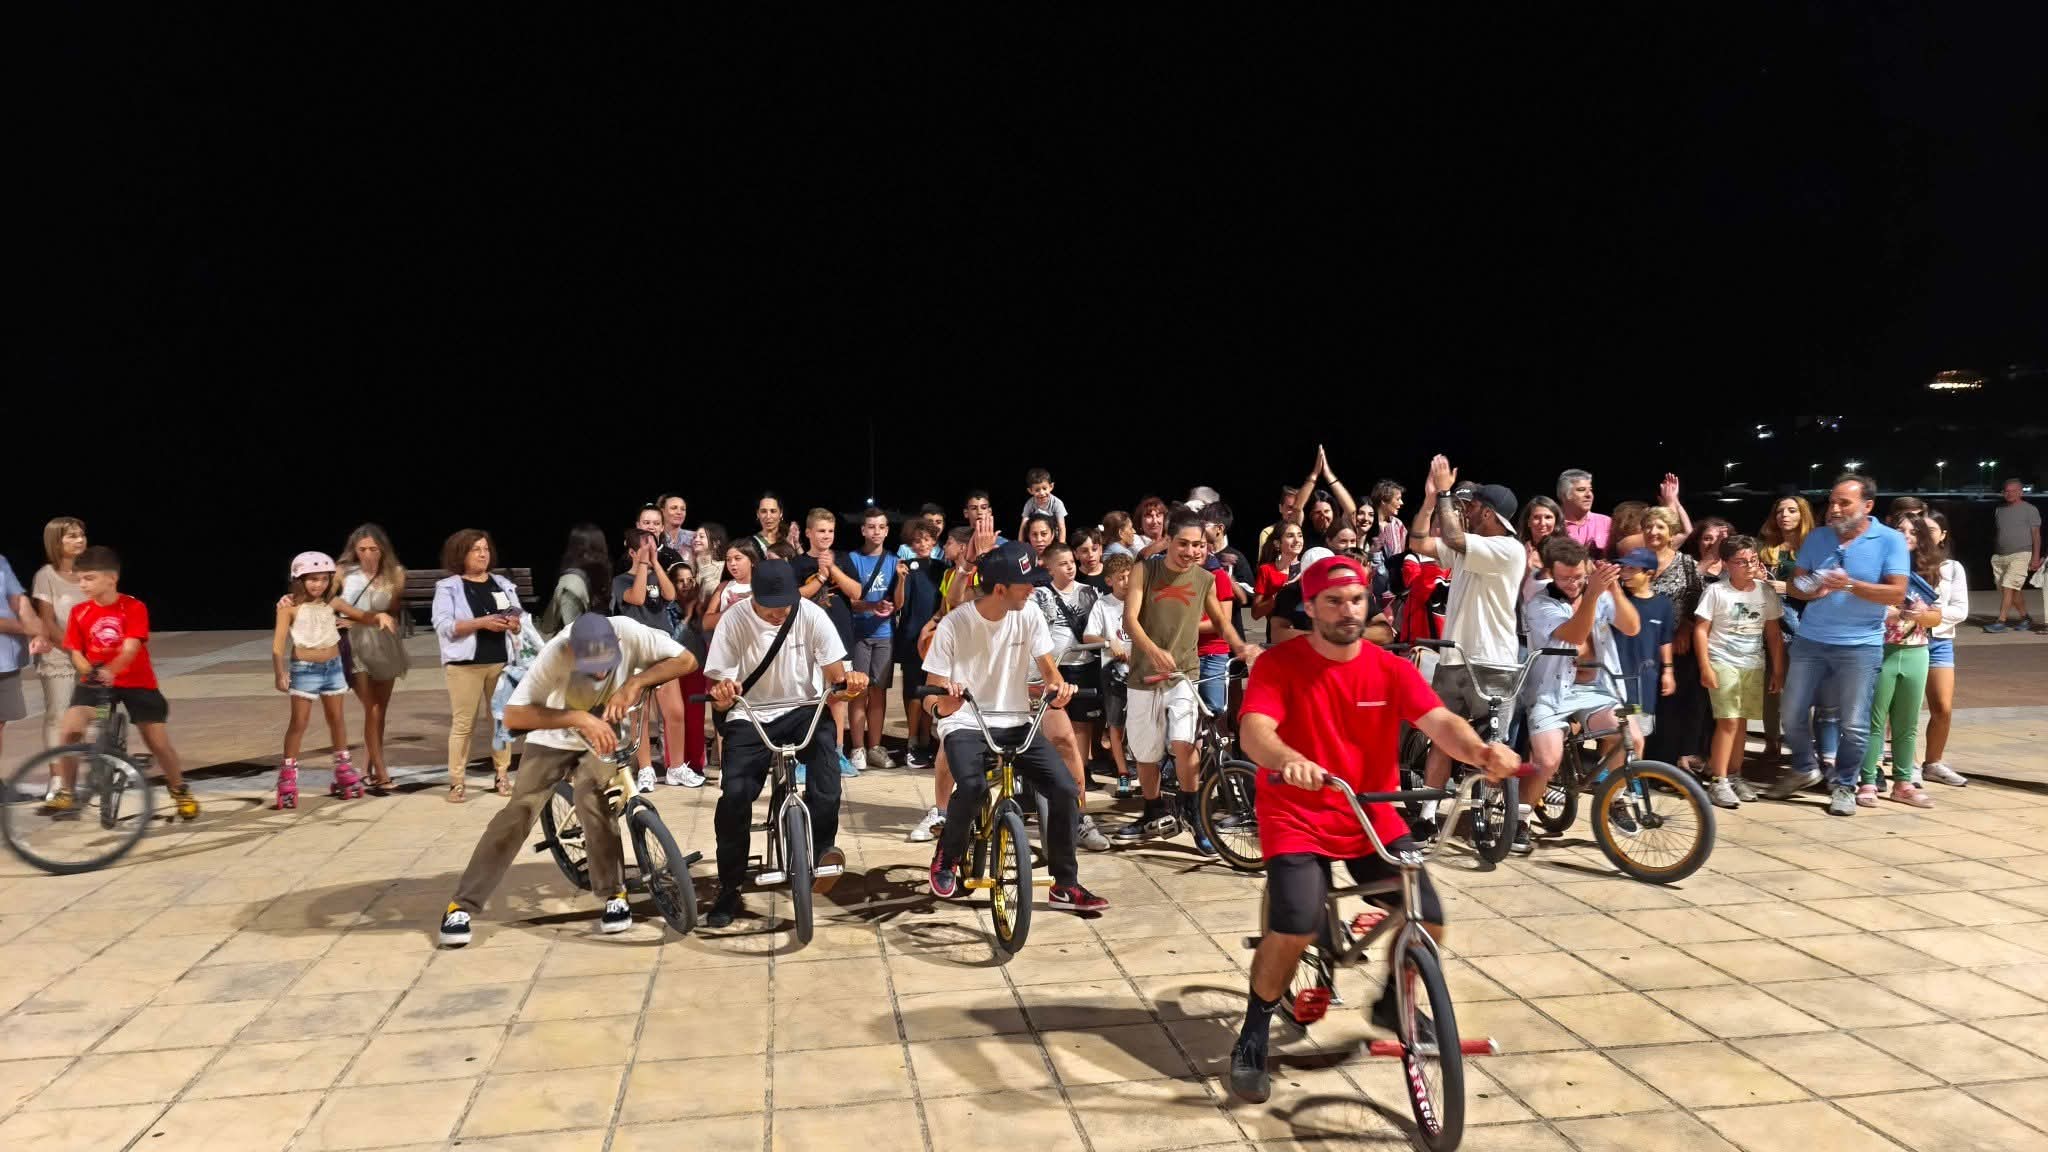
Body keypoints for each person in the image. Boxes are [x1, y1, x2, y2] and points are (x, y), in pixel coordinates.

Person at [1225, 556, 1522, 1105]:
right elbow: (1255, 731)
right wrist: (1289, 760)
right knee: (1295, 924)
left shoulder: (1390, 668)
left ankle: (1394, 999)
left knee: (1428, 913)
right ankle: (1254, 1029)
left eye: (1356, 600)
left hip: (1370, 811)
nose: (1347, 611)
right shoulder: (1279, 665)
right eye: (1334, 601)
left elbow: (1440, 722)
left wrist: (1481, 752)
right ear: (1311, 607)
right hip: (1298, 813)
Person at [438, 612, 702, 946]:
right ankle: (461, 905)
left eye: (607, 665)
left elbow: (686, 660)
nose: (601, 673)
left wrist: (634, 684)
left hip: (605, 736)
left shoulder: (629, 631)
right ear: (572, 652)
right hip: (553, 737)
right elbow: (514, 714)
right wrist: (579, 718)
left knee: (593, 797)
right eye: (591, 666)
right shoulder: (557, 652)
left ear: (618, 644)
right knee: (518, 813)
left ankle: (613, 894)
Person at [922, 541, 1109, 912]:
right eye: (1027, 583)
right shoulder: (956, 624)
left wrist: (1058, 691)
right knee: (972, 786)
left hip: (1016, 720)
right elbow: (931, 695)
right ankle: (947, 856)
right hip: (966, 722)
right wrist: (946, 704)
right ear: (1000, 589)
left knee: (1064, 789)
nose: (1034, 589)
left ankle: (1064, 885)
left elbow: (1050, 673)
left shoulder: (1029, 614)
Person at [704, 558, 867, 927]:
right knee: (734, 797)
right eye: (771, 608)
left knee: (827, 772)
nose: (779, 614)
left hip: (803, 708)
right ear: (753, 598)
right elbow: (720, 697)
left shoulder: (810, 615)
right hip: (750, 714)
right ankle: (730, 887)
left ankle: (822, 851)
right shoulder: (734, 621)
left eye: (785, 607)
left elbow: (836, 680)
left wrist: (851, 684)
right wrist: (724, 693)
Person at [1114, 511, 1262, 853]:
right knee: (1147, 752)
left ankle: (1194, 814)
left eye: (1198, 545)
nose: (1192, 551)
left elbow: (1221, 622)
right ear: (1167, 540)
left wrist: (1241, 647)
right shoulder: (1145, 571)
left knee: (1185, 744)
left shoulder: (1205, 578)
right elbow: (1129, 620)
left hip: (1184, 674)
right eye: (1183, 543)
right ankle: (1153, 810)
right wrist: (1152, 651)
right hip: (1144, 676)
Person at [1764, 475, 1909, 816]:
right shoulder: (1818, 537)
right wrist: (1811, 589)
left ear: (1868, 505)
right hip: (1811, 640)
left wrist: (1850, 585)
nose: (1835, 509)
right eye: (1832, 502)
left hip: (1860, 645)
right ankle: (1804, 767)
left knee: (1854, 724)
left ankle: (1844, 785)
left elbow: (1897, 592)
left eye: (1844, 503)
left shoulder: (1889, 540)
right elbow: (1795, 585)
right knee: (1792, 713)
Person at [1408, 456, 1524, 826]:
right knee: (1443, 738)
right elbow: (1418, 541)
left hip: (1493, 662)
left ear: (1488, 513)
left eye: (1471, 507)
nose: (1465, 511)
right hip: (1453, 660)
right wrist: (1430, 500)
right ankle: (1428, 816)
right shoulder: (1466, 547)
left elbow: (1453, 537)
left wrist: (1445, 493)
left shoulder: (1509, 548)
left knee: (1492, 746)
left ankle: (1487, 816)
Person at [45, 546, 198, 819]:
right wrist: (89, 670)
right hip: (96, 682)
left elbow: (130, 649)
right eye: (80, 579)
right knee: (69, 731)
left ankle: (179, 789)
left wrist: (112, 670)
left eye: (89, 578)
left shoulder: (133, 607)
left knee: (157, 741)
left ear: (111, 578)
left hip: (136, 682)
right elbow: (76, 652)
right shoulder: (79, 612)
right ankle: (66, 791)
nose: (83, 584)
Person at [1522, 537, 1640, 851]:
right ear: (1551, 573)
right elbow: (1574, 635)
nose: (1573, 584)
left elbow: (1631, 627)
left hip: (1596, 689)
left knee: (1631, 736)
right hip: (1551, 692)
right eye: (1565, 578)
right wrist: (1591, 594)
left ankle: (1615, 800)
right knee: (1547, 760)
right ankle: (1521, 817)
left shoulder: (1597, 593)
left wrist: (1613, 590)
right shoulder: (1539, 604)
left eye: (1579, 577)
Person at [1854, 512, 1943, 810]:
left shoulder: (1927, 572)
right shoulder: (1878, 568)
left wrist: (1920, 615)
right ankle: (1868, 780)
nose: (1906, 536)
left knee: (1907, 723)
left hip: (1916, 650)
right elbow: (1862, 604)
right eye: (1900, 530)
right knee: (1874, 720)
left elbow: (1937, 617)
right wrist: (1890, 612)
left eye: (1913, 532)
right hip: (1881, 649)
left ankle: (1903, 783)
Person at [433, 530, 522, 802]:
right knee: (463, 724)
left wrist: (514, 623)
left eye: (485, 549)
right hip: (465, 665)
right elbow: (444, 625)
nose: (483, 554)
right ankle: (457, 782)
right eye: (476, 550)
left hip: (500, 661)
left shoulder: (501, 583)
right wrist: (481, 623)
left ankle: (502, 775)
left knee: (500, 721)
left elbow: (518, 616)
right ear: (461, 554)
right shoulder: (448, 587)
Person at [1032, 541, 1110, 851]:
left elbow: (1100, 625)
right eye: (1062, 563)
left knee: (1078, 735)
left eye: (1071, 562)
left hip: (1083, 667)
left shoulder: (1089, 592)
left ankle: (1080, 812)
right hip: (1051, 670)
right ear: (1049, 567)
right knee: (1052, 738)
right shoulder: (1038, 596)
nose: (1069, 567)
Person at [1694, 535, 1782, 808]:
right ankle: (1718, 780)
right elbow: (1701, 630)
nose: (1749, 566)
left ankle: (1734, 774)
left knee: (1742, 721)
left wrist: (1778, 670)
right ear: (1726, 564)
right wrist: (1705, 666)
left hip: (1753, 664)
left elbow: (1773, 634)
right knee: (1728, 721)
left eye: (1753, 560)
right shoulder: (1716, 591)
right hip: (1722, 661)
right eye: (1741, 562)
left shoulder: (1765, 592)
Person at [613, 517, 697, 791]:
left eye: (654, 547)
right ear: (632, 552)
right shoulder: (621, 580)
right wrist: (642, 565)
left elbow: (670, 595)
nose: (652, 552)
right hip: (636, 646)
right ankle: (646, 769)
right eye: (646, 548)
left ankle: (676, 767)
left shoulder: (656, 575)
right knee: (640, 712)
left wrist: (656, 564)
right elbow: (637, 598)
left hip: (662, 645)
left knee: (675, 710)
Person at [271, 551, 359, 807]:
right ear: (298, 580)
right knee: (299, 722)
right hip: (305, 669)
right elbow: (278, 645)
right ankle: (288, 774)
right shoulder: (289, 606)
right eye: (312, 579)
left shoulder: (331, 602)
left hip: (333, 666)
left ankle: (343, 768)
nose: (318, 584)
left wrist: (356, 622)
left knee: (337, 719)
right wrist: (279, 673)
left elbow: (361, 615)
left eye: (323, 579)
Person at [793, 508, 864, 777]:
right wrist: (821, 577)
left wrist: (832, 568)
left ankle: (837, 752)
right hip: (806, 639)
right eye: (821, 531)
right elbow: (793, 597)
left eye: (830, 531)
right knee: (808, 697)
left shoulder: (843, 559)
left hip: (839, 637)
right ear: (809, 532)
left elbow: (856, 592)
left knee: (837, 696)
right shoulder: (797, 564)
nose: (826, 536)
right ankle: (803, 755)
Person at [1641, 507, 1708, 773]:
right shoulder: (1636, 562)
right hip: (1643, 646)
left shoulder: (1687, 564)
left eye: (1660, 527)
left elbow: (1700, 601)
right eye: (1648, 526)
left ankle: (1670, 766)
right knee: (1647, 708)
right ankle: (1647, 765)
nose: (1653, 532)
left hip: (1678, 645)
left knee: (1675, 707)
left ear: (1671, 533)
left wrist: (1686, 628)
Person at [1757, 495, 1816, 766]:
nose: (1785, 516)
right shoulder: (1765, 548)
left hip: (1802, 625)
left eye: (1792, 511)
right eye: (1780, 511)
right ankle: (1772, 741)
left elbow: (1821, 589)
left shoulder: (1812, 548)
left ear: (1802, 515)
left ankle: (1803, 745)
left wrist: (1788, 589)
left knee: (1800, 690)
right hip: (1768, 623)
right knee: (1771, 686)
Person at [29, 519, 90, 778]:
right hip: (60, 655)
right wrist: (74, 650)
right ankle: (57, 780)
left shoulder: (93, 572)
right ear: (56, 542)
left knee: (91, 716)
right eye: (72, 536)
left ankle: (80, 776)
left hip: (93, 655)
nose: (80, 540)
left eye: (82, 535)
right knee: (58, 716)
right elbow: (47, 620)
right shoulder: (46, 575)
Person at [1916, 511, 1969, 786]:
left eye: (1932, 530)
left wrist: (1929, 615)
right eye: (1920, 530)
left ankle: (1933, 763)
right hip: (1905, 641)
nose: (1925, 536)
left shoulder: (1953, 568)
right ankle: (1905, 764)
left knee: (1943, 707)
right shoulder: (1904, 564)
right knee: (1903, 709)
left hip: (1939, 642)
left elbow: (1960, 610)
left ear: (1943, 535)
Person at [846, 507, 900, 769]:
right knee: (858, 691)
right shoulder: (853, 559)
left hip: (885, 634)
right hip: (859, 634)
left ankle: (875, 747)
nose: (876, 531)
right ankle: (857, 748)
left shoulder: (894, 560)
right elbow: (850, 600)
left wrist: (892, 601)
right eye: (871, 527)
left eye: (881, 527)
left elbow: (899, 601)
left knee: (878, 692)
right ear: (863, 530)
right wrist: (871, 607)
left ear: (887, 530)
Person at [1083, 552, 1138, 798]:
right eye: (1121, 577)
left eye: (1129, 577)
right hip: (1114, 674)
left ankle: (1144, 771)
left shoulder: (1140, 600)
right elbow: (1088, 636)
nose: (1126, 582)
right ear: (1109, 581)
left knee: (1141, 725)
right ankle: (1122, 774)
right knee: (1116, 725)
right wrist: (1108, 642)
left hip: (1141, 672)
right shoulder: (1103, 605)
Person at [1612, 548, 1677, 743]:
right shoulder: (1616, 599)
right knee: (1613, 734)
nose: (1625, 573)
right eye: (1624, 568)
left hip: (1644, 678)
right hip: (1615, 675)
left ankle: (1634, 764)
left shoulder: (1663, 605)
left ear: (1649, 573)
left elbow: (1665, 640)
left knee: (1638, 734)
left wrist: (1668, 672)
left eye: (1632, 569)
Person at [894, 521, 945, 768]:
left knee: (931, 688)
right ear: (910, 544)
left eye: (926, 539)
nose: (922, 544)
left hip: (936, 636)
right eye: (917, 541)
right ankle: (912, 742)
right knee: (914, 690)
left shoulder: (943, 568)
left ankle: (926, 739)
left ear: (934, 541)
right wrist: (900, 580)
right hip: (912, 636)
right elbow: (899, 604)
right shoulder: (906, 567)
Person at [0, 552, 40, 771]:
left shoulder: (1, 561)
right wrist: (25, 627)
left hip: (5, 660)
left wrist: (31, 620)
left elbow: (18, 598)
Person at [1986, 479, 2041, 632]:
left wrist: (2036, 557)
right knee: (2011, 590)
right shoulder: (1999, 510)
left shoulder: (2030, 509)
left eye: (2014, 491)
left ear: (2021, 492)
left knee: (2008, 586)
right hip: (2000, 556)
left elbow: (2036, 535)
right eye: (2007, 491)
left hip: (2022, 553)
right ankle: (2025, 618)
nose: (2010, 494)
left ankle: (2001, 621)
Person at [1517, 495, 1564, 608]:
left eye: (1548, 517)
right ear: (1528, 522)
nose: (1542, 523)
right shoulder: (1518, 551)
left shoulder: (1567, 551)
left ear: (1556, 521)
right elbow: (1511, 591)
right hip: (1527, 610)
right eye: (1536, 517)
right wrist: (1526, 571)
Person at [1557, 469, 1612, 556]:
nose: (1589, 495)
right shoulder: (1551, 524)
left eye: (1590, 490)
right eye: (1581, 490)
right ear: (1564, 495)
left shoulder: (1606, 522)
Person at [1020, 467, 1068, 542]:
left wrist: (1061, 545)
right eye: (1037, 490)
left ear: (1051, 487)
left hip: (1053, 538)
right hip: (1036, 538)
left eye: (1044, 488)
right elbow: (1023, 525)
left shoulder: (1057, 503)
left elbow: (1061, 527)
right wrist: (1020, 544)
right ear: (1030, 491)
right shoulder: (1029, 504)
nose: (1042, 493)